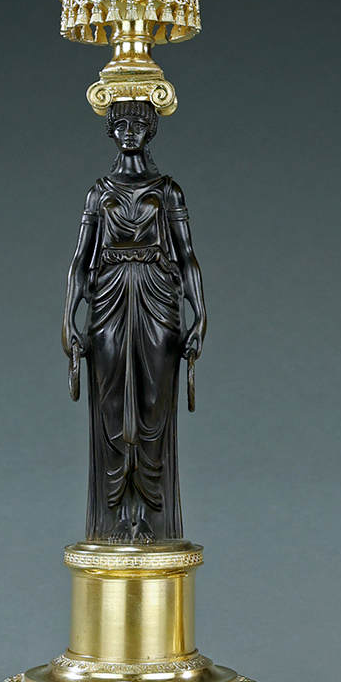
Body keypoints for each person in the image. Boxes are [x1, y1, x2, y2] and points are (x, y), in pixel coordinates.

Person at [62, 100, 206, 542]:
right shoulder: (98, 192)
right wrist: (68, 316)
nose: (129, 131)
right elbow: (80, 261)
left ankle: (145, 514)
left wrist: (200, 314)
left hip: (158, 300)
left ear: (151, 130)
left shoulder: (168, 191)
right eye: (120, 123)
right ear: (110, 130)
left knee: (152, 406)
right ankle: (117, 515)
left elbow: (187, 257)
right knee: (111, 407)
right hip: (108, 299)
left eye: (139, 123)